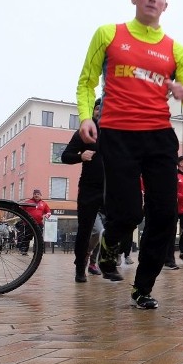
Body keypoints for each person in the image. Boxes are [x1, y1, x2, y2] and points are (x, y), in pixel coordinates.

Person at [76, 0, 183, 309]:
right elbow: (86, 82)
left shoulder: (176, 50)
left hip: (159, 137)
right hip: (118, 133)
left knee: (164, 214)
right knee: (129, 212)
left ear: (165, 5)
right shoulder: (108, 33)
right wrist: (83, 117)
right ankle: (107, 246)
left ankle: (142, 287)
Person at [61, 98, 109, 283]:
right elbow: (65, 156)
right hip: (89, 188)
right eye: (98, 108)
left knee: (120, 224)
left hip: (111, 189)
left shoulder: (116, 133)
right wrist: (81, 155)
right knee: (85, 230)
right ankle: (80, 267)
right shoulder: (85, 132)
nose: (101, 111)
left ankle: (107, 261)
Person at [17, 189, 51, 255]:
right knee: (27, 237)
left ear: (40, 195)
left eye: (38, 194)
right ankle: (24, 251)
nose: (36, 195)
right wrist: (23, 217)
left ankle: (37, 251)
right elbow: (20, 209)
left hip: (39, 224)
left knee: (38, 238)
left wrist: (47, 215)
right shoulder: (28, 202)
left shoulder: (43, 203)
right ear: (33, 195)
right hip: (28, 223)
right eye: (35, 194)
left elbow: (49, 211)